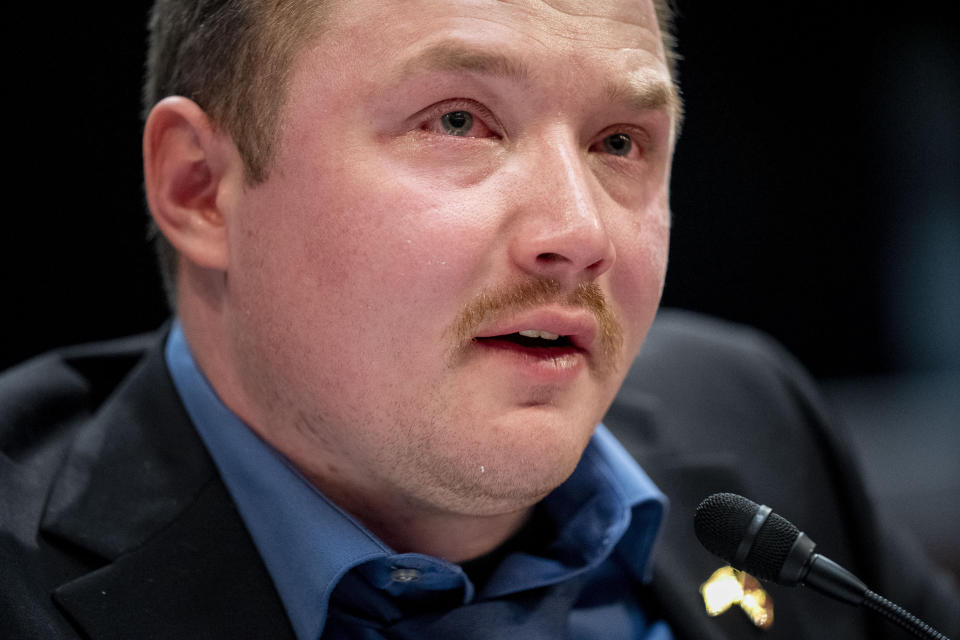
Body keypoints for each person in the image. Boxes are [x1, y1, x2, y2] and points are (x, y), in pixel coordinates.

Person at [1, 0, 957, 638]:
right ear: (201, 188)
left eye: (620, 142)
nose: (581, 233)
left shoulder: (751, 420)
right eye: (458, 122)